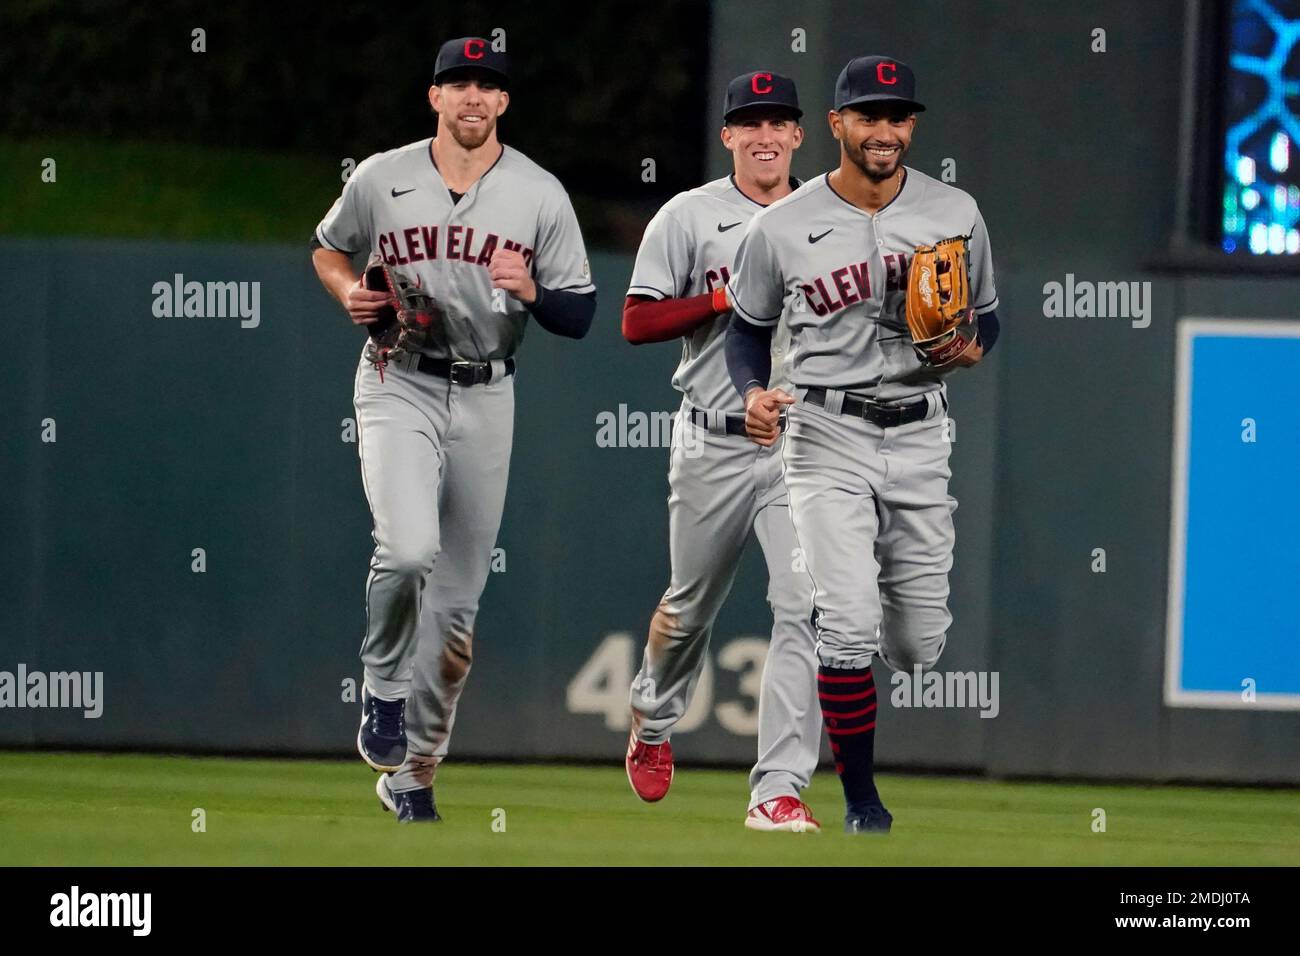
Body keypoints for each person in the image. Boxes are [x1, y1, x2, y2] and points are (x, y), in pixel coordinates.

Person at [310, 37, 596, 822]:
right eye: (457, 84)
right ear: (434, 97)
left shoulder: (538, 192)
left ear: (503, 103)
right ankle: (383, 689)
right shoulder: (380, 176)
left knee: (456, 614)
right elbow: (330, 251)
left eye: (487, 87)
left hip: (486, 390)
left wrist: (533, 289)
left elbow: (581, 312)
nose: (473, 97)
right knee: (406, 549)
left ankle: (415, 777)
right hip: (398, 375)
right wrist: (347, 295)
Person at [725, 55, 1000, 834]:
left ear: (912, 126)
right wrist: (752, 393)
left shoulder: (956, 211)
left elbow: (988, 318)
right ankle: (861, 804)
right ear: (838, 125)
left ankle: (865, 606)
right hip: (824, 431)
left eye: (899, 116)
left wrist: (972, 348)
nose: (885, 131)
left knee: (917, 647)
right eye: (869, 116)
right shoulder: (781, 224)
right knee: (843, 625)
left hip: (918, 433)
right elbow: (746, 330)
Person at [622, 71, 823, 832]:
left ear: (801, 135)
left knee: (805, 605)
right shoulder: (690, 215)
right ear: (729, 136)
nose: (766, 134)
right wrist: (722, 298)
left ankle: (777, 789)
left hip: (802, 447)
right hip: (711, 437)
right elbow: (637, 324)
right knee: (687, 609)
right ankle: (653, 717)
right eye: (751, 122)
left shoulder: (832, 217)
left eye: (779, 122)